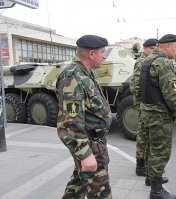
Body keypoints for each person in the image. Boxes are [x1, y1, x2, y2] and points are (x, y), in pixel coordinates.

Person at [56, 35, 112, 199]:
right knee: (101, 192)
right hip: (89, 145)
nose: (104, 55)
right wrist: (85, 154)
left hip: (95, 143)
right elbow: (69, 123)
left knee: (78, 185)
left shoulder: (86, 73)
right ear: (92, 54)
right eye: (102, 52)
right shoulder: (72, 76)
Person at [140, 34, 176, 199]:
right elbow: (171, 94)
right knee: (160, 151)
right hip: (159, 115)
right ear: (167, 46)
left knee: (150, 147)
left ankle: (151, 177)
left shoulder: (147, 61)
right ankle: (156, 191)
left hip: (147, 112)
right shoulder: (163, 63)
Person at [130, 38, 158, 177]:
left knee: (146, 135)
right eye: (153, 48)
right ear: (146, 48)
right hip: (143, 104)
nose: (155, 51)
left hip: (145, 104)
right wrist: (142, 103)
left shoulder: (149, 60)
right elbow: (135, 85)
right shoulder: (143, 61)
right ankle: (140, 166)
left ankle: (145, 165)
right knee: (143, 136)